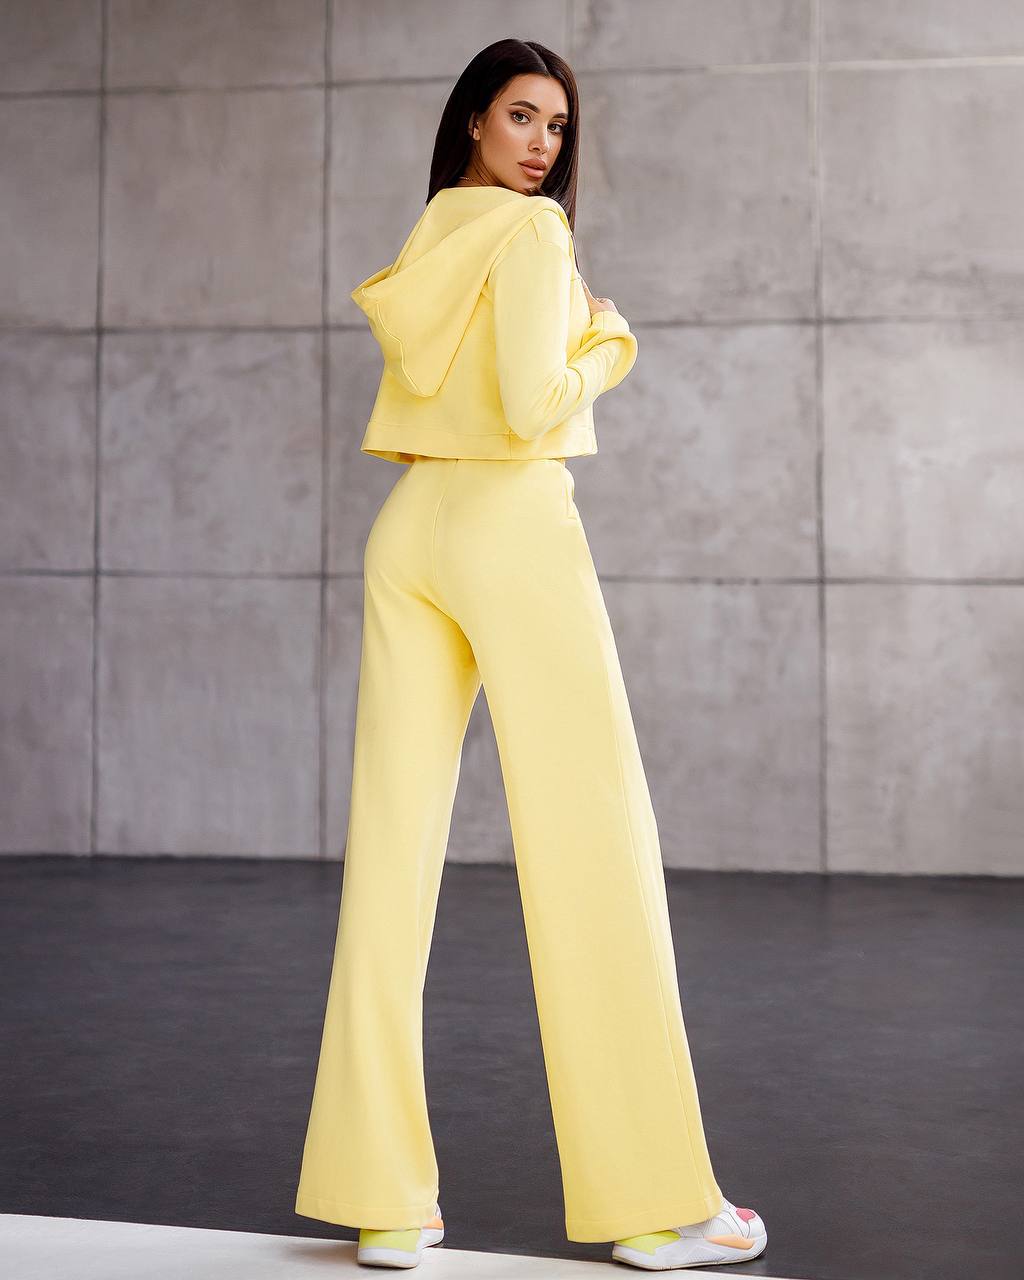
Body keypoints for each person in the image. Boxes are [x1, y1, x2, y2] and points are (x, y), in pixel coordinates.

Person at [293, 37, 767, 1272]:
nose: (543, 142)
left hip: (409, 533)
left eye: (557, 124)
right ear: (473, 122)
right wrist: (611, 341)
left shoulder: (434, 231)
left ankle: (380, 1196)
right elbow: (528, 401)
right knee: (594, 848)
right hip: (510, 523)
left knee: (389, 859)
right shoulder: (533, 237)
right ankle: (654, 1203)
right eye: (521, 116)